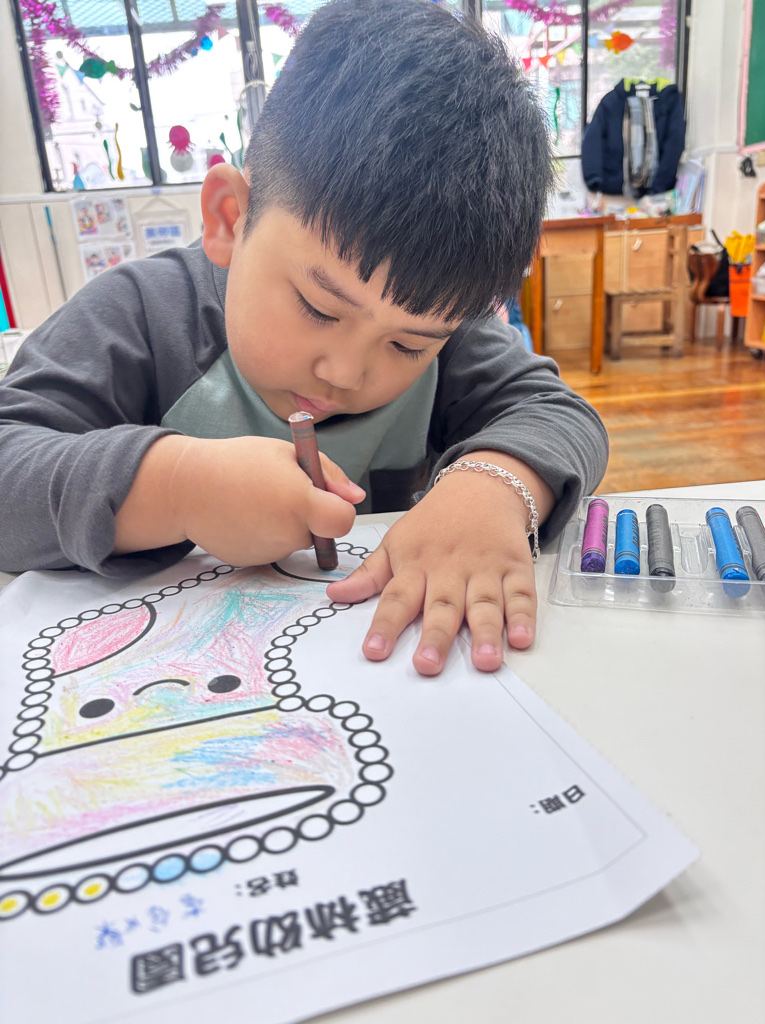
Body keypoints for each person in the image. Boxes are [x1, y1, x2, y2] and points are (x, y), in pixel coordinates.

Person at [0, 0, 608, 677]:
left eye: (407, 347)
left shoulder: (444, 327)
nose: (346, 371)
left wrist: (492, 488)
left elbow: (559, 414)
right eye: (319, 308)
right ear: (230, 217)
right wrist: (174, 489)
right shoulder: (139, 313)